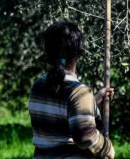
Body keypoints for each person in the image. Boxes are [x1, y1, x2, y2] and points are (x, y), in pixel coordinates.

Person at [28, 21, 115, 159]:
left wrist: (92, 104)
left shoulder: (38, 86)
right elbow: (86, 138)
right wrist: (108, 149)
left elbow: (60, 116)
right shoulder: (79, 93)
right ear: (79, 53)